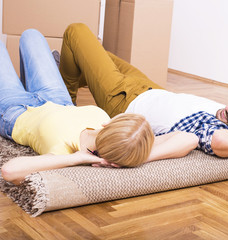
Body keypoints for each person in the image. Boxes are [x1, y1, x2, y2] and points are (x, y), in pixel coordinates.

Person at [59, 23, 228, 158]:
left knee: (77, 32)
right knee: (86, 56)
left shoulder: (214, 131)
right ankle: (66, 69)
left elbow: (222, 144)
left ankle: (63, 103)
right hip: (149, 87)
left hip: (122, 99)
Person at [0, 29, 197, 185]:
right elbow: (190, 138)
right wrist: (138, 158)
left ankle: (23, 84)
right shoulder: (122, 137)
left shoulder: (66, 151)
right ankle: (27, 80)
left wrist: (75, 159)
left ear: (107, 127)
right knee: (31, 35)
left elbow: (9, 170)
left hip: (15, 109)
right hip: (58, 98)